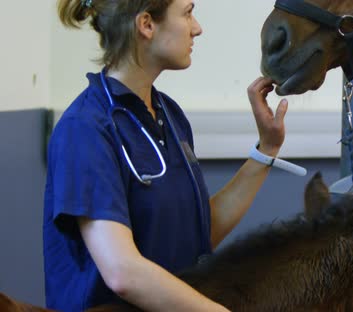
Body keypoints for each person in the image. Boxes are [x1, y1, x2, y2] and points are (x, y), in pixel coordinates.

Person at [44, 0, 289, 311]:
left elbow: (197, 234)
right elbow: (122, 272)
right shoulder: (86, 128)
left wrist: (267, 148)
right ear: (146, 24)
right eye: (187, 13)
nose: (197, 28)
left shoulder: (168, 115)